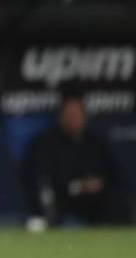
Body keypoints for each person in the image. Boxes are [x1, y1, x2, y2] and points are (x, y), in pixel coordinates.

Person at [23, 89, 127, 227]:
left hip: (95, 204)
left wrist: (97, 183)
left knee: (116, 203)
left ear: (85, 116)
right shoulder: (46, 143)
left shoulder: (95, 143)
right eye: (69, 114)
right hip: (63, 203)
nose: (74, 118)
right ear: (61, 116)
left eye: (77, 113)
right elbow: (40, 179)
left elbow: (114, 176)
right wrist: (77, 186)